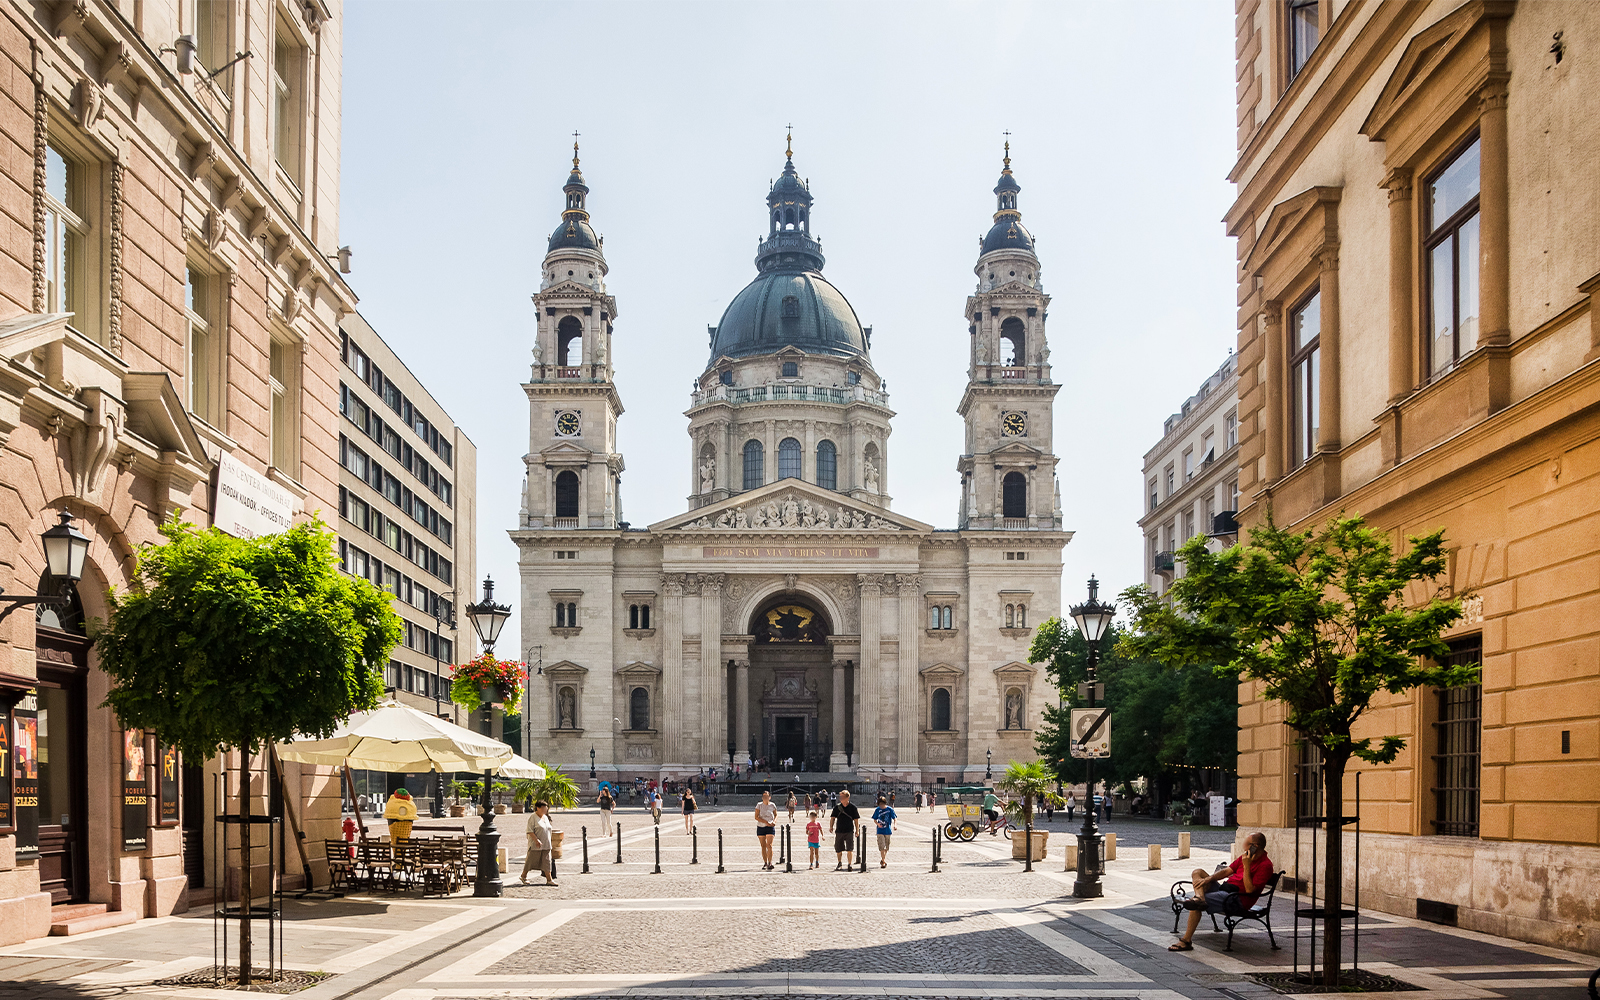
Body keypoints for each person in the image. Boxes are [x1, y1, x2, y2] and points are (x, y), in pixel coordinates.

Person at [1170, 832, 1273, 952]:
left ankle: (1186, 941)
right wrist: (1207, 879)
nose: (1243, 846)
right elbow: (1226, 871)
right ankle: (1199, 898)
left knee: (1195, 905)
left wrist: (1246, 867)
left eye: (1246, 843)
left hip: (1237, 898)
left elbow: (1250, 890)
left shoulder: (1265, 865)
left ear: (1255, 845)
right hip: (1225, 890)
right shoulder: (1244, 857)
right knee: (1197, 872)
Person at [521, 800, 557, 887]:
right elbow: (529, 830)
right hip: (535, 844)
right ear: (538, 808)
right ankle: (523, 876)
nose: (546, 809)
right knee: (530, 861)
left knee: (547, 862)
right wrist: (536, 840)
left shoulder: (546, 817)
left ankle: (549, 880)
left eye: (546, 808)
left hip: (546, 844)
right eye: (544, 808)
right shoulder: (533, 817)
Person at [829, 789, 860, 870]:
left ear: (847, 797)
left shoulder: (853, 807)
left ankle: (849, 864)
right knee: (838, 848)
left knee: (850, 848)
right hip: (839, 830)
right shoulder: (837, 807)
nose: (840, 798)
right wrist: (831, 826)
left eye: (842, 797)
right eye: (840, 797)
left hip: (849, 830)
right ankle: (839, 863)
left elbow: (856, 820)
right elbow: (832, 818)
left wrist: (857, 830)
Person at [754, 791, 779, 870]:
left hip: (770, 827)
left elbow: (776, 815)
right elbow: (756, 817)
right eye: (764, 796)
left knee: (769, 845)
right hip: (761, 826)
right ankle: (765, 862)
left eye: (767, 796)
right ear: (762, 798)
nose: (765, 798)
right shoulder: (759, 805)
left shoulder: (772, 805)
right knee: (763, 845)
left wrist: (774, 822)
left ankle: (770, 862)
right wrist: (765, 822)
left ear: (769, 797)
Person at [871, 794, 897, 868]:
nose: (881, 806)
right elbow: (874, 819)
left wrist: (895, 825)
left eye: (882, 804)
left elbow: (895, 818)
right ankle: (883, 861)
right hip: (880, 831)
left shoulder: (889, 809)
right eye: (880, 804)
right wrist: (877, 824)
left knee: (886, 847)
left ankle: (883, 859)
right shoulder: (877, 810)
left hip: (887, 830)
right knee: (882, 847)